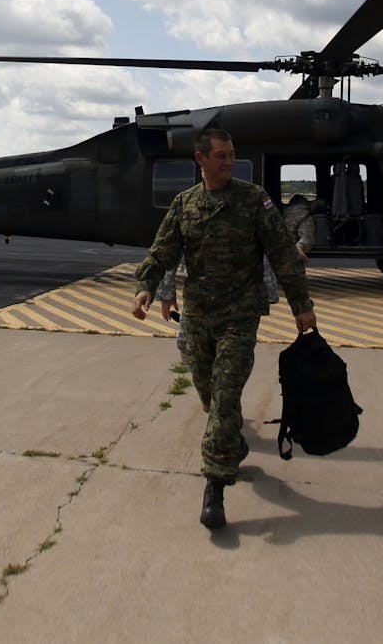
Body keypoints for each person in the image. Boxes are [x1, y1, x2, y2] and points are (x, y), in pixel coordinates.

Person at [130, 128, 316, 530]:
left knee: (227, 394)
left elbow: (283, 253)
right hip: (198, 317)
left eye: (232, 155)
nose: (229, 161)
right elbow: (163, 250)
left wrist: (302, 305)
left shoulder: (255, 200)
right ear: (201, 160)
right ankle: (231, 442)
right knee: (210, 396)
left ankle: (215, 485)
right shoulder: (185, 205)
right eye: (221, 156)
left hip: (239, 316)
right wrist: (146, 287)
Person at [281, 194, 315, 260]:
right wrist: (300, 246)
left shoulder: (282, 212)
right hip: (291, 249)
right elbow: (306, 236)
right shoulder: (305, 215)